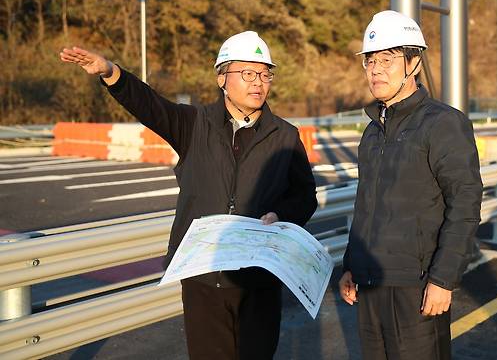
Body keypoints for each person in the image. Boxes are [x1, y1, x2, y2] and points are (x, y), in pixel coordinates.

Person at [60, 30, 318, 360]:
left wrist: (281, 215)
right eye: (248, 73)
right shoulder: (195, 123)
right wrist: (112, 73)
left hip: (260, 278)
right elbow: (150, 105)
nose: (258, 83)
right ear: (222, 78)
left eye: (265, 74)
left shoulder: (285, 135)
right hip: (203, 276)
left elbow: (304, 196)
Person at [338, 10, 483, 360]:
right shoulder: (372, 132)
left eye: (387, 59)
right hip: (370, 281)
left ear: (414, 63)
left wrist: (443, 278)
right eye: (370, 61)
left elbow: (464, 203)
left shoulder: (443, 124)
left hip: (416, 285)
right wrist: (351, 264)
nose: (375, 70)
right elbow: (366, 207)